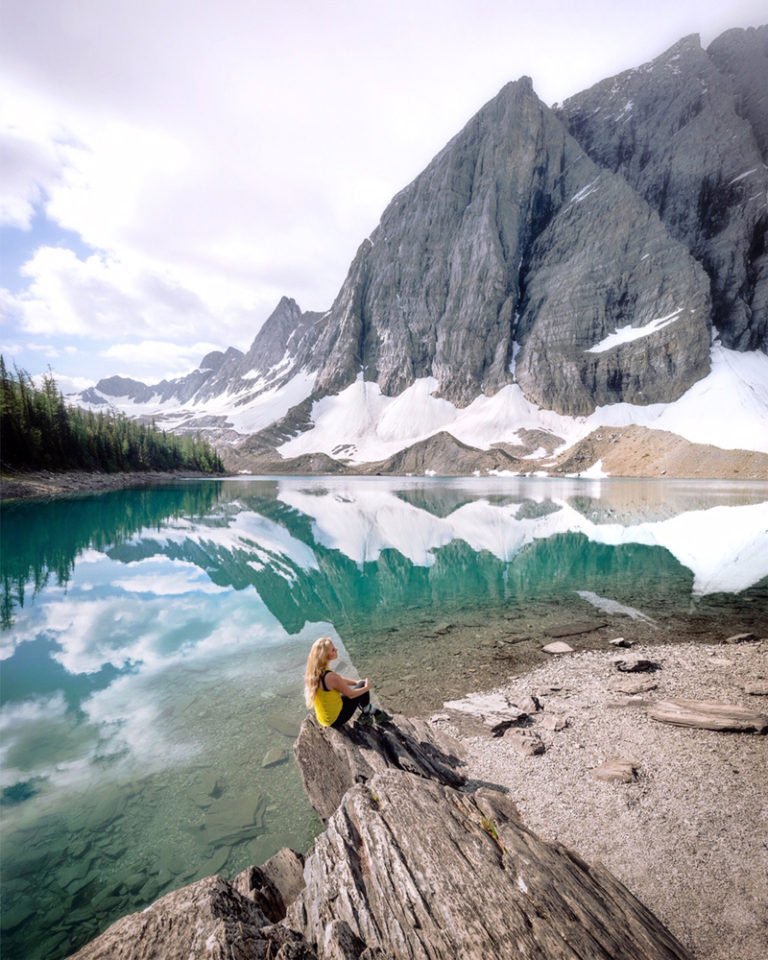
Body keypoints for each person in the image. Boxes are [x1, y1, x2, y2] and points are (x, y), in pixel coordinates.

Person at [304, 636, 391, 729]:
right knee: (362, 687)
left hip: (323, 718)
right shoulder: (330, 677)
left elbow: (339, 680)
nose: (336, 649)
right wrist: (367, 687)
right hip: (336, 719)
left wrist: (356, 682)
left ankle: (371, 711)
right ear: (326, 656)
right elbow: (351, 695)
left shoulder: (315, 672)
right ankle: (367, 714)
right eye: (333, 650)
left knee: (360, 684)